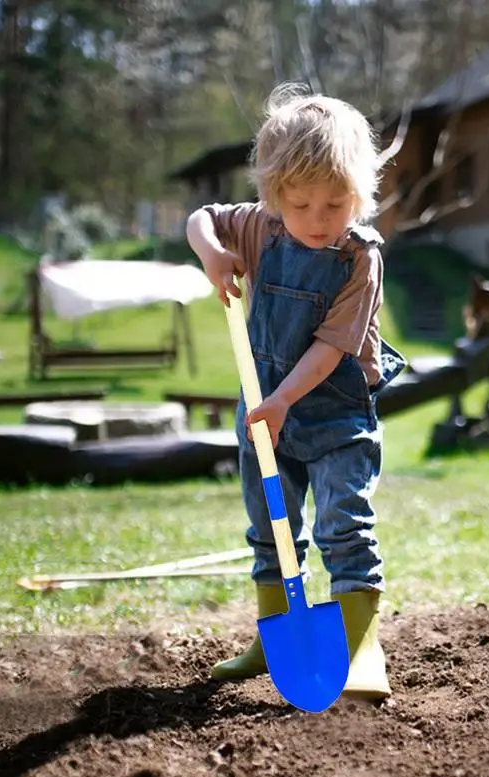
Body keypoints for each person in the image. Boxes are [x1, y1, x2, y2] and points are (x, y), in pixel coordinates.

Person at [185, 83, 406, 699]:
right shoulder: (259, 228)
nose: (317, 220)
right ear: (275, 195)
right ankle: (272, 637)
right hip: (264, 414)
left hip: (332, 415)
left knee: (343, 525)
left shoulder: (360, 257)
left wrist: (284, 401)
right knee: (270, 529)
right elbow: (201, 219)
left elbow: (332, 346)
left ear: (359, 196)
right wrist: (212, 256)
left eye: (335, 204)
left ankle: (361, 651)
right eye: (301, 204)